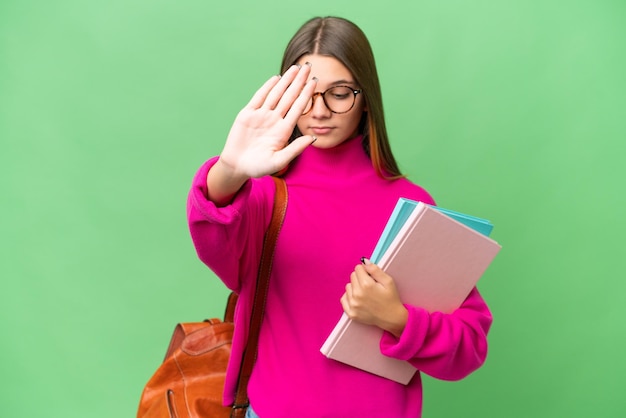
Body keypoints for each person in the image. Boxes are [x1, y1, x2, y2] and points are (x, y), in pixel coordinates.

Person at [187, 16, 492, 418]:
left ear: (365, 97)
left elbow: (468, 347)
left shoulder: (411, 205)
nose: (320, 110)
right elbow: (214, 246)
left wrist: (397, 319)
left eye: (340, 93)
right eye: (306, 94)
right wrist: (230, 170)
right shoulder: (261, 195)